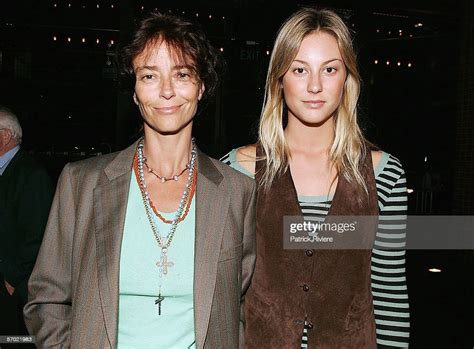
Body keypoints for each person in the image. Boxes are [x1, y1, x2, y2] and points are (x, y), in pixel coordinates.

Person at [24, 13, 256, 348]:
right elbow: (47, 299)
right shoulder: (81, 184)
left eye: (182, 75)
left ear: (201, 87)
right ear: (134, 91)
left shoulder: (237, 191)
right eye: (149, 75)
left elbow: (247, 307)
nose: (166, 91)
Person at [221, 7, 409, 348]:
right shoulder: (237, 171)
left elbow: (389, 296)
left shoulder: (384, 174)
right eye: (299, 69)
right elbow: (225, 295)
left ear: (347, 78)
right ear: (279, 78)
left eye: (330, 69)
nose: (314, 86)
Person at [0, 106, 54, 336]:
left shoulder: (32, 175)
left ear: (4, 136)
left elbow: (39, 234)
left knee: (13, 340)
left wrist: (11, 279)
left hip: (16, 288)